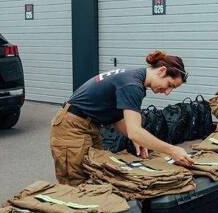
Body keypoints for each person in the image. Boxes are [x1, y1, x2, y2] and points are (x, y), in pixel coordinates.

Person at [50, 51, 194, 185]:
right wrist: (172, 150)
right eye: (170, 85)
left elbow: (115, 117)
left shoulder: (134, 78)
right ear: (162, 71)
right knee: (76, 183)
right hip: (72, 127)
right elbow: (135, 131)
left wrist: (138, 139)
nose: (168, 92)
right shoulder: (132, 85)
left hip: (89, 125)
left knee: (96, 172)